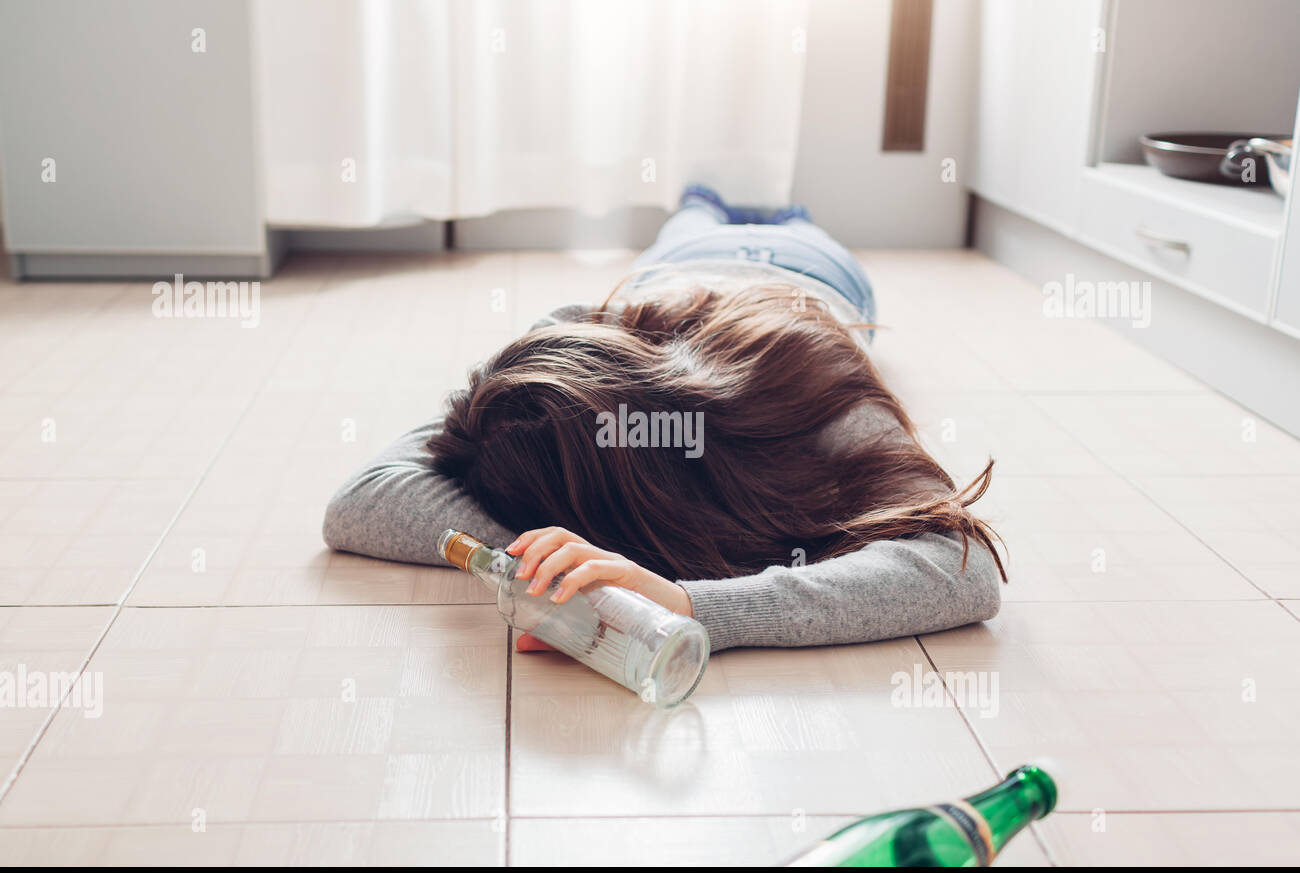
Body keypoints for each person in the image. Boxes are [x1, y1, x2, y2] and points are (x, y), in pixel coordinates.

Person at [323, 187, 1005, 653]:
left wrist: (684, 604)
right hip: (665, 275)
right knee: (691, 220)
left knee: (796, 222)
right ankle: (701, 205)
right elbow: (358, 503)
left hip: (812, 276)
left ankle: (779, 210)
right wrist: (562, 562)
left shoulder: (809, 384)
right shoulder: (562, 343)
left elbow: (961, 572)